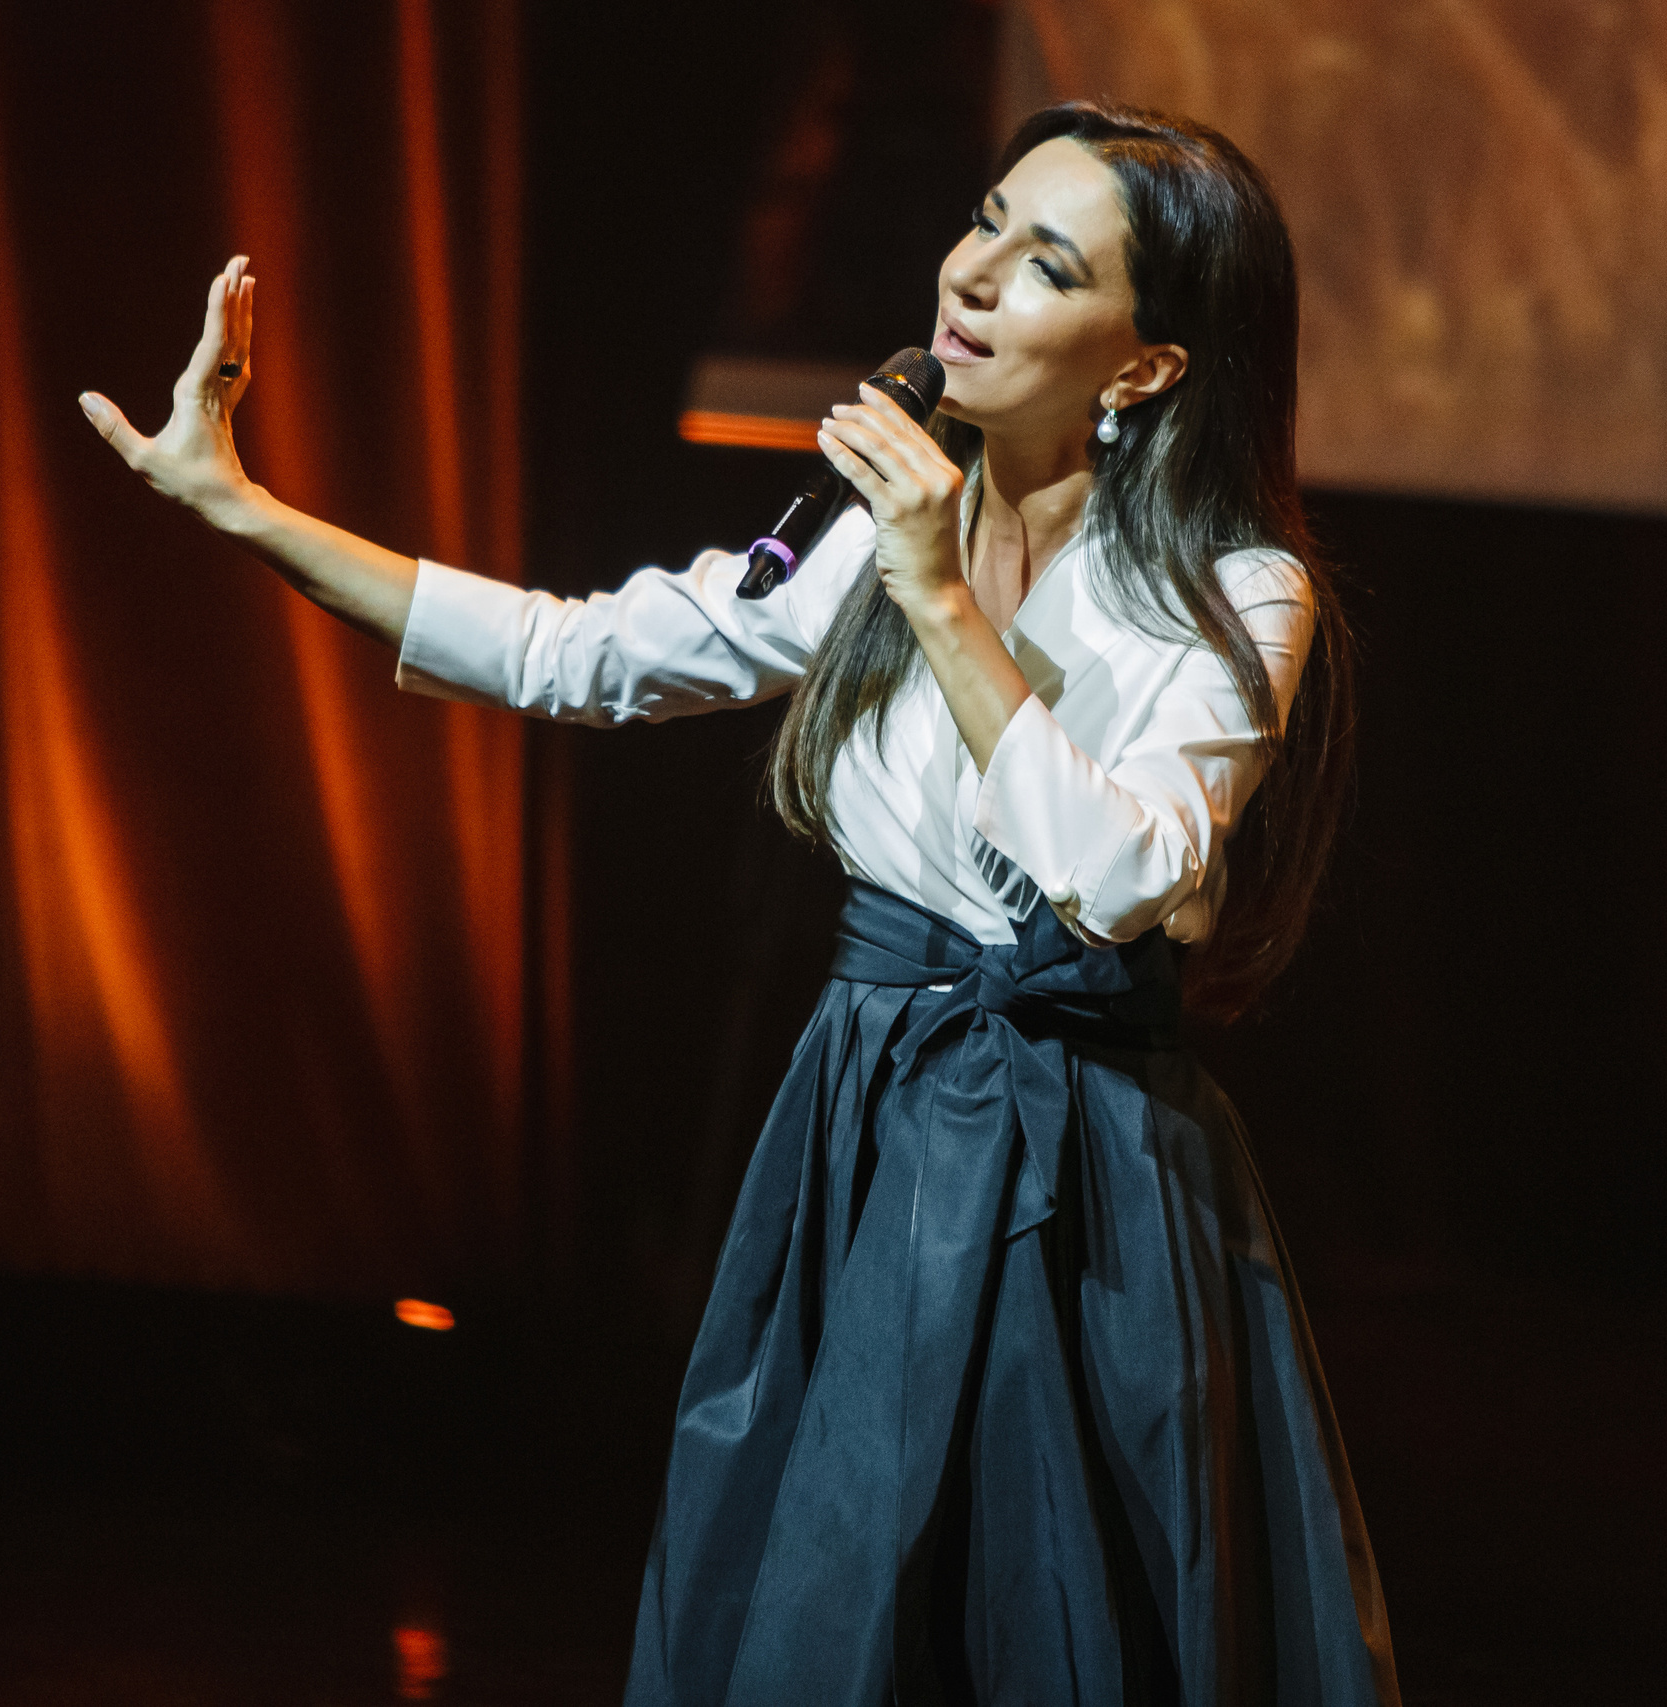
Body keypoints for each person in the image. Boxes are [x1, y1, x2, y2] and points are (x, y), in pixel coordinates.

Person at [81, 99, 1397, 1707]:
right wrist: (242, 507)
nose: (970, 277)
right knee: (826, 1604)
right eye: (983, 220)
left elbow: (1123, 875)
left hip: (1081, 1164)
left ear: (1144, 364)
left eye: (1045, 264)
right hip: (868, 1119)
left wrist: (935, 591)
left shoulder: (1232, 592)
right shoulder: (875, 546)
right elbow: (583, 656)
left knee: (1054, 1618)